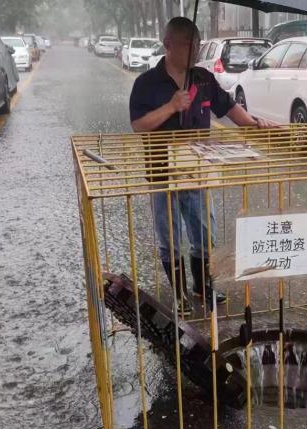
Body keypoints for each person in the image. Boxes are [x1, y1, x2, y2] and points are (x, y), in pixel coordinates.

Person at [129, 17, 274, 316]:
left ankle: (202, 288)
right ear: (168, 44)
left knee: (204, 233)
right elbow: (139, 126)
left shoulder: (204, 80)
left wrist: (257, 124)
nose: (194, 50)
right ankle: (179, 293)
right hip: (163, 174)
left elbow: (231, 110)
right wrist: (171, 107)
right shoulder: (146, 84)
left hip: (196, 171)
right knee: (169, 236)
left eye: (197, 43)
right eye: (187, 44)